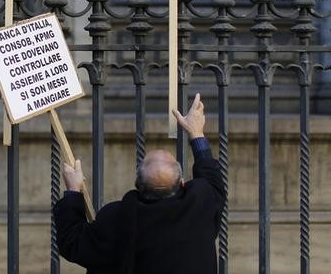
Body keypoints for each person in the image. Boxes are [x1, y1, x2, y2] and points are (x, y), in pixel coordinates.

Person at [53, 93, 225, 274]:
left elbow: (74, 244)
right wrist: (196, 133)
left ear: (137, 184)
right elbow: (212, 178)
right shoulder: (200, 205)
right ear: (182, 183)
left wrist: (73, 190)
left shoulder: (117, 218)